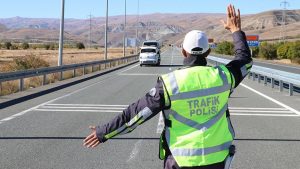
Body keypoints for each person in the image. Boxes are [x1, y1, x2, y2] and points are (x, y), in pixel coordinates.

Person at [83, 4, 252, 169]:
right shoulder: (224, 76)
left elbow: (135, 115)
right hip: (218, 160)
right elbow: (244, 60)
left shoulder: (170, 84)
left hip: (181, 161)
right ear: (208, 53)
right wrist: (235, 30)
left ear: (183, 52)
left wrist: (104, 132)